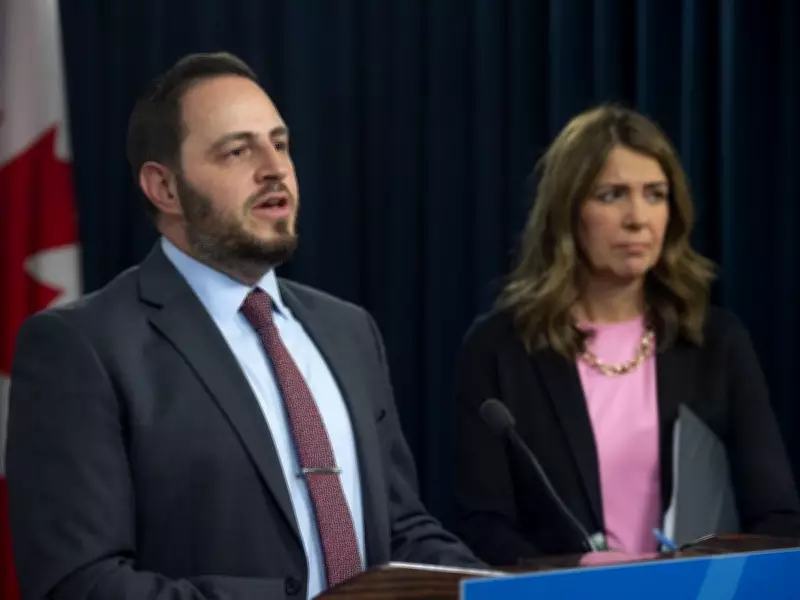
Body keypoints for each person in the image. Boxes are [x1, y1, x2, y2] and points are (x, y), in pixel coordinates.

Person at [6, 51, 483, 600]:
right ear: (165, 188)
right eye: (237, 151)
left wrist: (504, 590)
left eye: (280, 144)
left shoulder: (349, 331)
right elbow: (81, 583)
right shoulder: (82, 347)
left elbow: (400, 532)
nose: (275, 168)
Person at [452, 104, 800, 566]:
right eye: (612, 195)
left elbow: (776, 515)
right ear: (568, 212)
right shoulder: (500, 349)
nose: (637, 218)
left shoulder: (715, 342)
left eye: (655, 195)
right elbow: (482, 525)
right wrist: (575, 572)